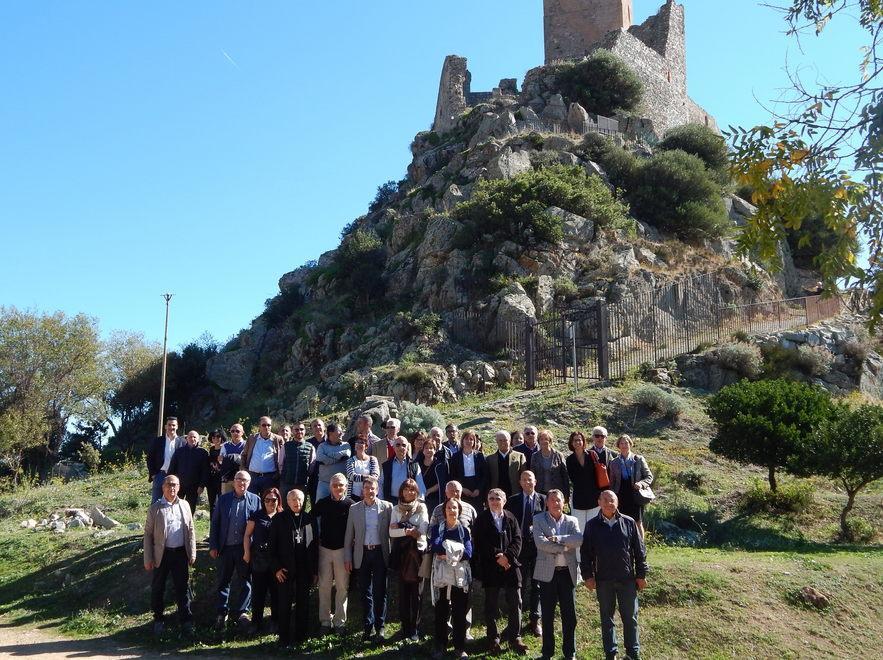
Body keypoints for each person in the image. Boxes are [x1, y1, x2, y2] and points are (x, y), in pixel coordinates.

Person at [581, 490, 648, 660]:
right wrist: (587, 576)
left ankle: (633, 654)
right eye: (605, 500)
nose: (609, 503)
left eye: (612, 500)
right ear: (599, 502)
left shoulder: (629, 522)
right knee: (606, 618)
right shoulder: (591, 525)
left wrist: (641, 574)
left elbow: (640, 551)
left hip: (627, 579)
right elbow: (585, 554)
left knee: (630, 618)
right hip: (603, 580)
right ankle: (611, 654)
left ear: (617, 502)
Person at [473, 489, 527, 655]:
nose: (494, 501)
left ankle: (514, 637)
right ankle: (493, 639)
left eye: (498, 498)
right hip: (491, 566)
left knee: (515, 602)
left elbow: (518, 539)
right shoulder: (482, 519)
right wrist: (498, 556)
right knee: (491, 605)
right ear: (487, 501)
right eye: (491, 499)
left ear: (504, 501)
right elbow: (480, 541)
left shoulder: (511, 517)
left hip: (511, 566)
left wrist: (508, 557)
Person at [144, 475, 196, 636]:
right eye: (168, 485)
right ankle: (158, 619)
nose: (171, 488)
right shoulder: (155, 508)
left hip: (180, 553)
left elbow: (191, 529)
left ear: (179, 487)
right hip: (162, 554)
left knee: (182, 588)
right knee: (158, 587)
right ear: (163, 487)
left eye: (174, 485)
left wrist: (192, 552)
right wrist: (148, 558)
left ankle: (186, 621)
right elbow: (147, 534)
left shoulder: (185, 505)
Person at [533, 489, 582, 660]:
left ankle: (570, 653)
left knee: (570, 617)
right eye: (552, 500)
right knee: (547, 616)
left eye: (558, 500)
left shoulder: (572, 520)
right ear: (547, 503)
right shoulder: (538, 519)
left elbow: (578, 539)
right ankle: (547, 653)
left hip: (567, 574)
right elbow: (541, 544)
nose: (555, 503)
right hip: (548, 574)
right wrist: (565, 546)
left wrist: (557, 538)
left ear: (564, 502)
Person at [209, 470, 261, 631]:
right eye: (239, 479)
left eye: (245, 480)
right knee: (224, 580)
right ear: (234, 481)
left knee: (246, 580)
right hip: (225, 547)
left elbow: (259, 526)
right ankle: (221, 612)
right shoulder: (223, 499)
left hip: (244, 548)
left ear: (249, 483)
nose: (241, 483)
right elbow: (215, 523)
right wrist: (213, 545)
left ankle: (242, 613)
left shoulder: (255, 500)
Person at [343, 475, 393, 641]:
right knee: (365, 592)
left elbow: (391, 535)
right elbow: (349, 535)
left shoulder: (387, 507)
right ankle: (368, 627)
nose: (370, 491)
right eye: (366, 488)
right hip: (362, 554)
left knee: (381, 591)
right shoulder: (354, 508)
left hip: (380, 553)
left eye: (373, 488)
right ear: (362, 490)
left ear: (377, 490)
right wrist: (347, 557)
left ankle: (380, 627)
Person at [269, 489, 318, 648]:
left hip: (304, 568)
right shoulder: (279, 519)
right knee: (284, 603)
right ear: (287, 502)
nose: (296, 503)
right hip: (284, 569)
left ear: (303, 501)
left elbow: (315, 546)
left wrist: (315, 570)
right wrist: (276, 568)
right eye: (293, 500)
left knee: (303, 603)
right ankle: (283, 638)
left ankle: (301, 637)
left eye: (299, 499)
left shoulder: (309, 519)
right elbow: (272, 547)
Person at [430, 498, 472, 660]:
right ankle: (440, 645)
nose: (452, 510)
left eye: (455, 508)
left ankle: (459, 647)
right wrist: (456, 551)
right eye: (449, 507)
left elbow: (468, 553)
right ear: (444, 510)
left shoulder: (464, 531)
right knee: (441, 612)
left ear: (459, 510)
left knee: (459, 613)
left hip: (459, 578)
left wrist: (447, 551)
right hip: (441, 577)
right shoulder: (437, 529)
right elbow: (436, 546)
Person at [504, 470, 546, 637]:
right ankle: (515, 622)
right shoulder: (513, 501)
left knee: (537, 584)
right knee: (516, 585)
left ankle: (535, 620)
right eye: (524, 479)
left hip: (538, 547)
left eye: (530, 479)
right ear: (520, 482)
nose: (527, 482)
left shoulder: (543, 500)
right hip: (519, 548)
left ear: (535, 481)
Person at [313, 473, 354, 634]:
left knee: (343, 587)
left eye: (341, 485)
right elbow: (310, 520)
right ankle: (324, 621)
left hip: (343, 551)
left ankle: (339, 623)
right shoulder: (322, 503)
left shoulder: (351, 505)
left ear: (346, 487)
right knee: (323, 586)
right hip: (324, 549)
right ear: (330, 486)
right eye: (335, 485)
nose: (338, 488)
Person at [389, 478, 429, 642]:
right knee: (403, 593)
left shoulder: (422, 507)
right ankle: (405, 627)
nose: (409, 492)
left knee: (417, 594)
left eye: (412, 489)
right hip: (402, 555)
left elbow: (423, 529)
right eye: (406, 489)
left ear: (416, 492)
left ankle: (415, 628)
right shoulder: (395, 508)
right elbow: (391, 532)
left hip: (418, 555)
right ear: (401, 491)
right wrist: (407, 531)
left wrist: (401, 527)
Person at [243, 487, 282, 635]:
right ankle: (256, 623)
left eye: (274, 500)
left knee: (276, 593)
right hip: (259, 560)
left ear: (278, 501)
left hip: (277, 562)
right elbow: (247, 535)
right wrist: (246, 553)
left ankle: (275, 622)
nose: (270, 503)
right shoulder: (256, 515)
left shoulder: (282, 516)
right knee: (258, 594)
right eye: (267, 500)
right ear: (263, 500)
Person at [609, 435, 653, 540]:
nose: (624, 445)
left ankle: (640, 548)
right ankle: (624, 546)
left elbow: (649, 477)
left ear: (630, 444)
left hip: (635, 495)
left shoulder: (639, 459)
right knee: (621, 522)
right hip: (620, 495)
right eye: (622, 443)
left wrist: (641, 484)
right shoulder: (614, 462)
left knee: (637, 522)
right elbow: (612, 482)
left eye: (626, 443)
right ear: (618, 446)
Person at [566, 430, 598, 557]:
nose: (578, 442)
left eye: (580, 440)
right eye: (575, 440)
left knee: (593, 531)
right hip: (578, 499)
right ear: (572, 443)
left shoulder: (592, 455)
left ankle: (594, 560)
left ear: (584, 442)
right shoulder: (569, 460)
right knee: (578, 532)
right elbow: (573, 479)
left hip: (594, 499)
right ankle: (579, 562)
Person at [168, 430, 210, 515]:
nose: (192, 439)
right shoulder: (179, 452)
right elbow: (172, 468)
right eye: (190, 437)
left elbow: (205, 471)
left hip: (194, 486)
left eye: (194, 437)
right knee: (175, 506)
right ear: (186, 439)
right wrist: (170, 482)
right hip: (179, 485)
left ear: (198, 440)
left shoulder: (203, 453)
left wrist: (202, 486)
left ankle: (188, 526)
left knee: (190, 508)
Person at [242, 417, 283, 495]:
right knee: (252, 502)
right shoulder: (252, 438)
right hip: (252, 476)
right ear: (259, 426)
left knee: (267, 503)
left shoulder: (277, 439)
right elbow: (244, 455)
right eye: (264, 425)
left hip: (270, 478)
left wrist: (278, 474)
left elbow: (283, 457)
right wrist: (244, 469)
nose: (266, 427)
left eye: (269, 425)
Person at [449, 430, 488, 511]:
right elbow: (452, 475)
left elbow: (485, 475)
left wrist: (478, 489)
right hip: (461, 490)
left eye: (471, 439)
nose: (468, 441)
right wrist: (462, 489)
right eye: (466, 439)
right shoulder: (455, 457)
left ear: (474, 442)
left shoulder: (479, 456)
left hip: (477, 490)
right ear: (462, 440)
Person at [147, 417, 183, 503]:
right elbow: (150, 458)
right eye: (169, 425)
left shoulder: (182, 442)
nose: (171, 427)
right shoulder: (158, 441)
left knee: (173, 503)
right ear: (165, 426)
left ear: (177, 426)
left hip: (175, 476)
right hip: (159, 475)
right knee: (156, 503)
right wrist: (153, 474)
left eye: (173, 425)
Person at [380, 437, 425, 504]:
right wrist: (381, 501)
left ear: (407, 448)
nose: (401, 448)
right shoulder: (386, 465)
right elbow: (381, 484)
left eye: (404, 445)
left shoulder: (414, 465)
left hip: (409, 502)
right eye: (398, 445)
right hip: (390, 502)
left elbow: (420, 485)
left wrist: (419, 502)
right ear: (393, 447)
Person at [530, 430, 570, 502]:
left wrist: (566, 494)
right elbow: (532, 475)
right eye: (541, 439)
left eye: (546, 439)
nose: (543, 441)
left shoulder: (558, 455)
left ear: (550, 441)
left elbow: (565, 475)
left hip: (556, 493)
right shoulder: (534, 456)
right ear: (538, 441)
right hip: (540, 492)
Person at [278, 421, 315, 501]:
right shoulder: (286, 446)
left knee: (300, 508)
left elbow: (312, 465)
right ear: (292, 431)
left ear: (305, 431)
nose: (299, 431)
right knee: (284, 508)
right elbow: (280, 464)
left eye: (301, 429)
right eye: (296, 430)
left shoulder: (310, 447)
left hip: (302, 484)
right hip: (286, 483)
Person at [316, 423, 351, 501]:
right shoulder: (322, 446)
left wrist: (328, 455)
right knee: (320, 508)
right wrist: (338, 458)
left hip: (341, 486)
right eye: (339, 431)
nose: (342, 433)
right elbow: (320, 459)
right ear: (331, 433)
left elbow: (346, 456)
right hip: (324, 484)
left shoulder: (346, 445)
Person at [487, 430, 526, 497]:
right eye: (500, 440)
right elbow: (488, 479)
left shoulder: (520, 456)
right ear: (496, 442)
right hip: (496, 496)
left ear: (510, 441)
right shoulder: (490, 459)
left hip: (515, 493)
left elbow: (524, 476)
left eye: (505, 440)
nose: (503, 443)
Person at [345, 435, 380, 502]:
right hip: (354, 496)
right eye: (357, 442)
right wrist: (367, 477)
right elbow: (351, 476)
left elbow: (375, 476)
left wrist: (364, 490)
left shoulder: (373, 459)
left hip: (369, 494)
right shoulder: (350, 461)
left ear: (366, 446)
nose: (359, 444)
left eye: (361, 442)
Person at [420, 438, 449, 514]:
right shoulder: (417, 464)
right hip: (420, 497)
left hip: (434, 498)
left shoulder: (439, 465)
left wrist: (429, 491)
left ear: (435, 450)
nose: (428, 450)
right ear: (423, 450)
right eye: (426, 448)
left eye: (431, 448)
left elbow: (441, 482)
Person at [219, 424, 247, 495]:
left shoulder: (247, 444)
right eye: (232, 431)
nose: (235, 433)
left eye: (237, 431)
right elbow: (220, 461)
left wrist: (228, 458)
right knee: (226, 500)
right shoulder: (225, 445)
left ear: (242, 432)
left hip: (242, 478)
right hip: (228, 479)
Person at [206, 429, 225, 517]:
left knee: (222, 502)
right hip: (211, 480)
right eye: (213, 437)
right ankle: (212, 525)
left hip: (221, 480)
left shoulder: (224, 448)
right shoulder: (211, 449)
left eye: (218, 437)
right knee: (212, 504)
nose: (216, 439)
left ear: (222, 437)